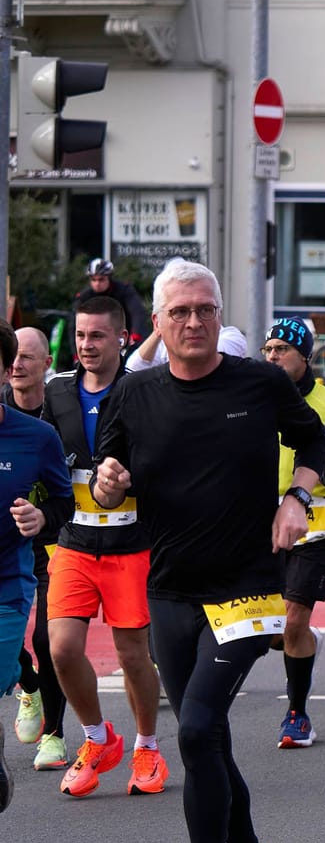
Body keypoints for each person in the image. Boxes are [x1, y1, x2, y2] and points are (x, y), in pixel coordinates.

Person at [92, 260, 325, 843]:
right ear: (158, 325)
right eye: (181, 313)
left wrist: (298, 497)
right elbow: (106, 485)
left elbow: (313, 441)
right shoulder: (134, 394)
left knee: (195, 725)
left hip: (248, 588)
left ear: (220, 316)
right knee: (210, 740)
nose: (194, 323)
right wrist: (108, 484)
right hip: (169, 590)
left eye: (206, 310)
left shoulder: (257, 382)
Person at [45, 296, 169, 797]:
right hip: (74, 542)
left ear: (122, 338)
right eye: (79, 335)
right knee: (61, 649)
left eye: (97, 336)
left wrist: (130, 482)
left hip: (131, 546)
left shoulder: (144, 391)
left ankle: (147, 746)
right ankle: (98, 738)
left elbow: (168, 461)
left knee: (133, 656)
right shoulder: (57, 392)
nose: (86, 345)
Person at [260, 318, 325, 750]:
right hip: (259, 526)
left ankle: (297, 714)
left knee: (293, 620)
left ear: (305, 357)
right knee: (272, 630)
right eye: (268, 349)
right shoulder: (254, 399)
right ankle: (305, 642)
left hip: (317, 525)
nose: (272, 356)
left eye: (282, 350)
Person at [0, 323, 69, 817]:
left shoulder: (37, 437)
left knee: (46, 642)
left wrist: (42, 517)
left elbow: (66, 507)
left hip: (5, 588)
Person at [72, 257, 150, 339]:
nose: (97, 283)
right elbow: (74, 323)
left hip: (126, 337)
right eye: (93, 280)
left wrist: (136, 333)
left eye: (101, 279)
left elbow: (137, 312)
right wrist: (75, 350)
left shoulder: (124, 290)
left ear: (109, 278)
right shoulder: (84, 297)